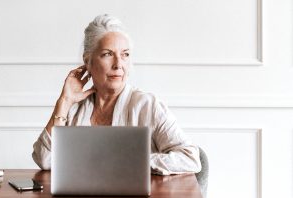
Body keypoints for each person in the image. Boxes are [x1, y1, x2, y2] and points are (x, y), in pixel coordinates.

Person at [32, 14, 201, 175]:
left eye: (125, 55)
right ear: (87, 62)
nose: (118, 64)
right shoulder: (74, 109)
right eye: (107, 54)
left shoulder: (148, 105)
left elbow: (190, 158)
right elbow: (45, 160)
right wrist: (64, 101)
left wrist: (129, 161)